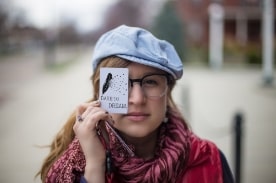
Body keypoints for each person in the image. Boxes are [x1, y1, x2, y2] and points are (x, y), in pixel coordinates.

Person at [37, 25, 234, 183]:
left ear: (168, 91)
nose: (138, 99)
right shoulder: (73, 167)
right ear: (99, 94)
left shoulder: (209, 160)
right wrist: (95, 167)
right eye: (120, 83)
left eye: (150, 82)